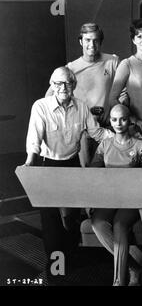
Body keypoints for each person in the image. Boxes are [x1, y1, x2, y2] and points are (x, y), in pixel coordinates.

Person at [24, 66, 113, 284]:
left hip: (71, 164)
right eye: (58, 84)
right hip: (48, 167)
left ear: (73, 85)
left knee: (72, 218)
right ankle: (55, 271)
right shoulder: (41, 106)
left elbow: (97, 133)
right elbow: (34, 140)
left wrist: (121, 137)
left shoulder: (81, 106)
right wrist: (29, 162)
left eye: (67, 83)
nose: (63, 88)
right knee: (52, 221)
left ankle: (71, 260)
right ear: (52, 86)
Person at [90, 104, 142, 286]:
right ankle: (134, 268)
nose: (119, 123)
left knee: (119, 224)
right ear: (110, 121)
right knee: (98, 223)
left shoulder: (140, 145)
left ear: (129, 120)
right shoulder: (105, 144)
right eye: (114, 119)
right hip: (110, 197)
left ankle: (119, 281)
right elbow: (92, 172)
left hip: (133, 199)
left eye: (123, 119)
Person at [46, 23, 119, 165]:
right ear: (81, 41)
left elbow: (122, 93)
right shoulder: (71, 68)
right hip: (83, 131)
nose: (91, 44)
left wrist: (115, 113)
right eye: (87, 40)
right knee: (88, 174)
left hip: (108, 126)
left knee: (111, 170)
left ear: (100, 42)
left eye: (95, 40)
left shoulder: (113, 62)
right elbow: (48, 98)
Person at [108, 19, 142, 163]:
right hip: (139, 130)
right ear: (133, 40)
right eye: (139, 36)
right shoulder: (127, 64)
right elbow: (112, 99)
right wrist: (134, 120)